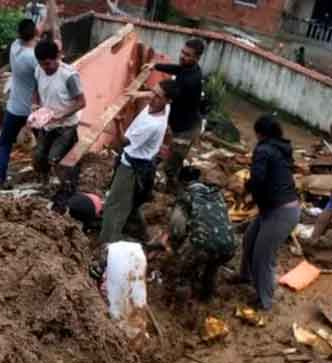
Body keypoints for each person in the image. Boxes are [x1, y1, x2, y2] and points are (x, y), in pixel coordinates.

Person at [99, 79, 179, 244]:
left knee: (114, 205)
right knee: (130, 201)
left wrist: (118, 122)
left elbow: (123, 142)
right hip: (143, 164)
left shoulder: (153, 125)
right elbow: (152, 95)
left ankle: (107, 242)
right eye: (153, 92)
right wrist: (138, 94)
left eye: (157, 96)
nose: (152, 97)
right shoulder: (165, 107)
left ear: (167, 100)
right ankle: (138, 232)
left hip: (132, 168)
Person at [235, 115, 300, 311]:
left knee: (263, 256)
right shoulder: (280, 148)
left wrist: (246, 190)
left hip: (280, 212)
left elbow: (258, 180)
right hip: (278, 208)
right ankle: (244, 276)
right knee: (249, 240)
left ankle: (265, 301)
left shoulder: (263, 150)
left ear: (259, 133)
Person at [152, 167, 236, 301]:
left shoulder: (186, 196)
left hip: (204, 245)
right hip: (229, 246)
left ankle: (180, 310)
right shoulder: (216, 194)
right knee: (211, 268)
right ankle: (207, 298)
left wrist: (174, 247)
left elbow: (177, 229)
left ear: (183, 182)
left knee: (183, 272)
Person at [32, 39, 86, 211]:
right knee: (39, 157)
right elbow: (36, 90)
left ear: (57, 57)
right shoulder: (39, 70)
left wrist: (61, 115)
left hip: (66, 126)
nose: (45, 68)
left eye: (47, 64)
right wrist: (35, 107)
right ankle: (46, 185)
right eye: (41, 64)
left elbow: (81, 102)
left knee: (57, 159)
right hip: (47, 124)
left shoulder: (69, 76)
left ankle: (69, 192)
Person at [0, 18, 40, 188]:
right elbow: (41, 83)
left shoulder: (14, 47)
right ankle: (43, 174)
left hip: (14, 108)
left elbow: (31, 38)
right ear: (35, 33)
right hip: (32, 111)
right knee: (42, 144)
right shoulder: (34, 58)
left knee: (4, 144)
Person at [152, 39, 205, 191]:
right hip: (182, 124)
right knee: (172, 158)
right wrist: (156, 66)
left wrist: (143, 93)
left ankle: (171, 193)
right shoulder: (189, 68)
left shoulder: (191, 79)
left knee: (170, 167)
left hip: (186, 131)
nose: (182, 56)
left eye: (187, 55)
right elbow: (177, 69)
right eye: (182, 52)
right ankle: (173, 181)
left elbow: (167, 93)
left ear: (197, 58)